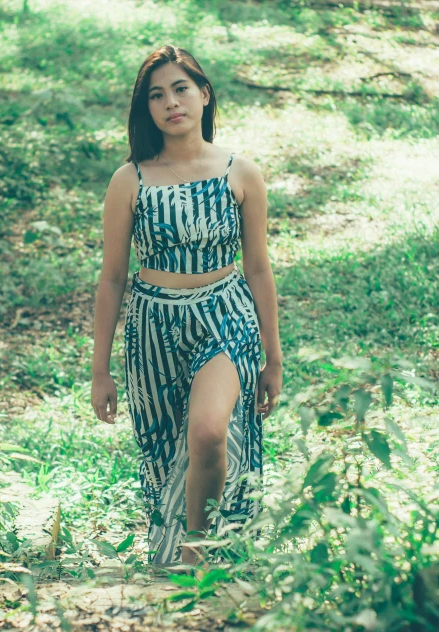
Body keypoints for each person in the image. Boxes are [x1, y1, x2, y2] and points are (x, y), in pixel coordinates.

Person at [91, 45, 282, 569]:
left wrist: (274, 357)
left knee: (208, 432)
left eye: (180, 88)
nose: (171, 102)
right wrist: (100, 370)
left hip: (225, 316)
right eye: (157, 95)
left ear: (204, 94)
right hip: (153, 327)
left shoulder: (240, 173)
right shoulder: (130, 180)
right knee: (164, 449)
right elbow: (111, 280)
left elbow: (259, 268)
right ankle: (178, 545)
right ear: (146, 109)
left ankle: (198, 549)